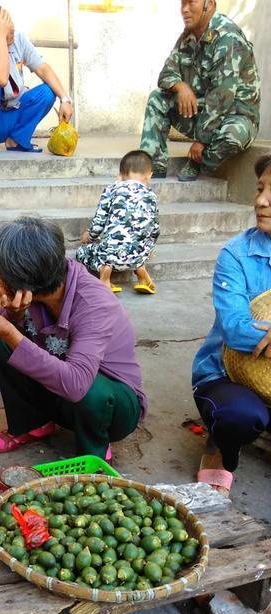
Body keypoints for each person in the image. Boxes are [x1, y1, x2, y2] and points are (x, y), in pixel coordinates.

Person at [0, 218, 147, 459]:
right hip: (60, 394)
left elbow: (76, 384)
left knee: (91, 389)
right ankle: (33, 423)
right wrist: (14, 317)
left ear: (22, 278)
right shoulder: (40, 285)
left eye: (0, 276)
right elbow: (17, 337)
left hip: (113, 408)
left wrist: (10, 331)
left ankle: (94, 451)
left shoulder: (95, 304)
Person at [191, 155, 271, 496]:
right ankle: (220, 450)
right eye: (260, 188)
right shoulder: (237, 254)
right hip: (224, 375)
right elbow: (237, 329)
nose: (261, 200)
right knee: (238, 415)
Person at [139, 0, 259, 183]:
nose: (185, 10)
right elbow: (165, 75)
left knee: (232, 137)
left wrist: (201, 141)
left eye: (191, 2)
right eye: (182, 4)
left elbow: (221, 97)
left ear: (209, 4)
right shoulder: (188, 36)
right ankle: (153, 166)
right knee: (158, 98)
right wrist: (181, 87)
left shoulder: (228, 38)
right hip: (202, 110)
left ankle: (199, 162)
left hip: (236, 116)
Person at [0, 4, 73, 155]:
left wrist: (65, 100)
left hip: (10, 114)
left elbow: (42, 68)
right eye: (8, 33)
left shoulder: (19, 39)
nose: (13, 35)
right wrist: (1, 38)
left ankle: (16, 140)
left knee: (48, 92)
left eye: (12, 29)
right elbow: (0, 79)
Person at [76, 150, 160, 295]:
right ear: (149, 175)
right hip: (138, 255)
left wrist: (89, 236)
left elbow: (99, 222)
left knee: (81, 252)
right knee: (137, 249)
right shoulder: (151, 196)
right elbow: (155, 229)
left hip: (111, 255)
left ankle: (104, 272)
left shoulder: (112, 189)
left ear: (119, 174)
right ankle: (140, 271)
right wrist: (147, 250)